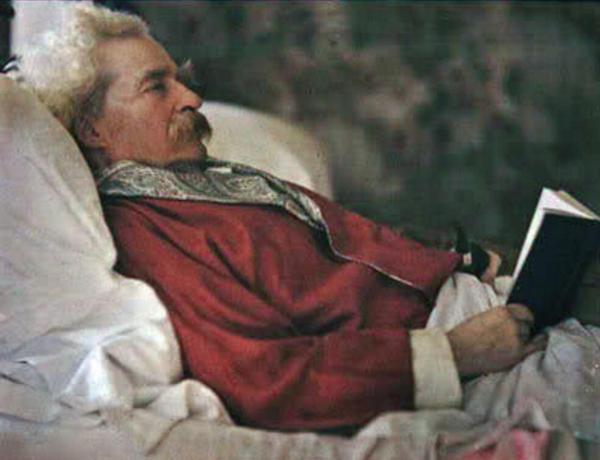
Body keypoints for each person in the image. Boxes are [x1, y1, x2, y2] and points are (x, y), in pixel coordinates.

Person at [9, 4, 546, 433]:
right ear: (93, 129)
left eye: (181, 80)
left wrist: (462, 258)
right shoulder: (144, 232)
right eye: (158, 86)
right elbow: (260, 377)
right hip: (473, 353)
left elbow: (342, 255)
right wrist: (455, 354)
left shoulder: (202, 182)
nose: (192, 97)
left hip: (488, 297)